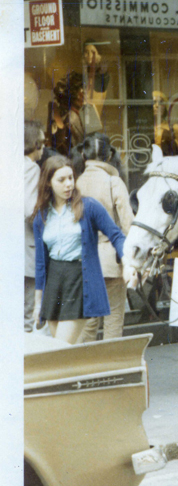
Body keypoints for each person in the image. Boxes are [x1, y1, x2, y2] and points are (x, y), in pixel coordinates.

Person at [32, 155, 126, 345]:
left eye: (71, 178)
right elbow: (41, 263)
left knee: (60, 347)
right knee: (62, 349)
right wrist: (37, 304)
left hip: (79, 279)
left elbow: (116, 235)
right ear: (48, 183)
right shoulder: (41, 216)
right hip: (53, 282)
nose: (68, 184)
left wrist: (128, 261)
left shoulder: (88, 206)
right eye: (61, 180)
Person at [75, 134, 134, 343]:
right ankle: (110, 364)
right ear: (109, 156)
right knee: (113, 320)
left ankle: (84, 362)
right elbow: (128, 224)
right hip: (111, 262)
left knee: (88, 324)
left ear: (83, 155)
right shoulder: (113, 182)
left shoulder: (74, 183)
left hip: (83, 260)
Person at [24, 121, 44, 331]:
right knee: (27, 316)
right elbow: (30, 210)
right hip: (26, 249)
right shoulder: (31, 168)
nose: (44, 147)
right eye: (41, 142)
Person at [46, 72, 86, 157]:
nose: (84, 95)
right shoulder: (72, 118)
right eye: (82, 91)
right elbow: (80, 146)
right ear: (74, 95)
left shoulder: (68, 115)